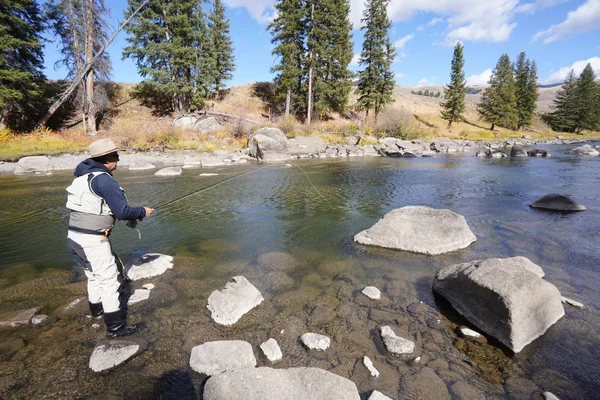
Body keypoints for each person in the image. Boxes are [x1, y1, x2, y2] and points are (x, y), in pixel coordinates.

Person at [66, 138, 154, 339]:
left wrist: (135, 213)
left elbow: (101, 208)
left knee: (92, 275)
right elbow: (122, 212)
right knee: (109, 281)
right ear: (106, 159)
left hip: (74, 237)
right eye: (116, 156)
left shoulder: (82, 176)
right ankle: (116, 328)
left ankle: (97, 311)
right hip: (92, 240)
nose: (118, 159)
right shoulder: (104, 180)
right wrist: (143, 211)